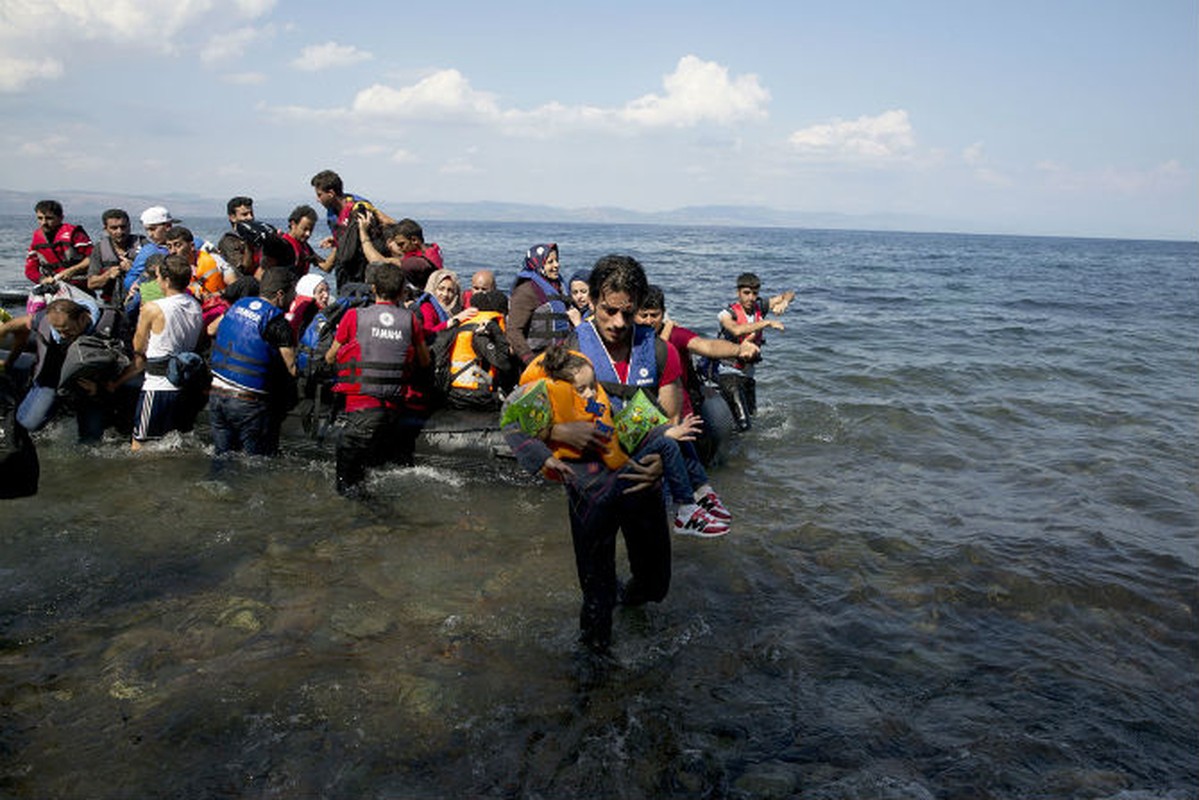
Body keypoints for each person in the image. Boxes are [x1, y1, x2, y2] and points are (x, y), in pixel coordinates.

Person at [504, 254, 675, 654]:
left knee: (655, 585)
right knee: (595, 599)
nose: (618, 322)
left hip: (642, 482)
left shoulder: (660, 351)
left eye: (627, 313)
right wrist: (556, 429)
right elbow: (513, 415)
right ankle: (595, 680)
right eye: (608, 310)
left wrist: (663, 461)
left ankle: (628, 601)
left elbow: (673, 416)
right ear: (592, 301)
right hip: (589, 489)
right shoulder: (566, 353)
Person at [536, 343, 728, 536]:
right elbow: (608, 442)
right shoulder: (571, 418)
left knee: (678, 432)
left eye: (593, 385)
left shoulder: (592, 404)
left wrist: (661, 427)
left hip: (620, 453)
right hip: (608, 472)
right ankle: (685, 509)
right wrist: (664, 435)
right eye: (582, 389)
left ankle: (702, 490)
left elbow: (616, 433)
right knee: (668, 442)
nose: (591, 393)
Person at [326, 262, 430, 498]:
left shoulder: (354, 316)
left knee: (346, 482)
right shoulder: (411, 320)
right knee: (371, 469)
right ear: (402, 290)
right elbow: (424, 361)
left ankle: (368, 514)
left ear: (373, 288)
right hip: (394, 408)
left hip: (361, 408)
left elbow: (331, 355)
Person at [637, 283, 755, 470]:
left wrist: (739, 349)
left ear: (663, 313)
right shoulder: (628, 338)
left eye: (654, 315)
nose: (649, 321)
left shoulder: (677, 334)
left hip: (682, 414)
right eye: (643, 315)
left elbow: (706, 346)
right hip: (643, 413)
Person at [108, 254, 204, 450]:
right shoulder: (195, 306)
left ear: (167, 281)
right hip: (185, 386)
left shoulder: (153, 308)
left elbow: (138, 347)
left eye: (158, 277)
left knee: (139, 446)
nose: (156, 281)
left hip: (158, 386)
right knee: (177, 445)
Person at [0, 295, 118, 442]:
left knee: (91, 440)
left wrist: (100, 388)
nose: (62, 335)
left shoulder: (110, 324)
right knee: (28, 425)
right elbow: (20, 324)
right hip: (52, 378)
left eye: (67, 330)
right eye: (57, 330)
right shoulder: (47, 319)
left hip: (92, 386)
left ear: (82, 318)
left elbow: (129, 360)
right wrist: (10, 359)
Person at [207, 268, 298, 457]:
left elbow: (211, 329)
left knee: (222, 458)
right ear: (280, 295)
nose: (294, 298)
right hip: (248, 403)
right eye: (293, 292)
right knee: (256, 464)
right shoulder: (278, 323)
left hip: (217, 395)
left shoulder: (239, 305)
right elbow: (293, 369)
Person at [712, 272, 795, 431]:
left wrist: (784, 302)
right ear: (738, 293)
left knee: (752, 417)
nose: (750, 298)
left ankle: (746, 453)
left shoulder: (759, 306)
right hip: (727, 372)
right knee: (744, 424)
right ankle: (733, 454)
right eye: (746, 293)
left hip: (748, 374)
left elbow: (790, 293)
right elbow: (736, 330)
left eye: (755, 293)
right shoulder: (727, 314)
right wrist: (766, 323)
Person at [507, 243, 571, 365]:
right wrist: (529, 359)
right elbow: (513, 330)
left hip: (561, 357)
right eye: (550, 262)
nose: (556, 265)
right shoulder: (527, 290)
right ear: (538, 263)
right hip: (538, 359)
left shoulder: (559, 287)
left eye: (557, 260)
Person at [24, 200, 93, 290]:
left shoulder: (76, 235)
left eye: (49, 218)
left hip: (79, 285)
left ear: (61, 218)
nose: (44, 222)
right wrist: (42, 279)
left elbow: (93, 258)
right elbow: (30, 269)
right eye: (40, 218)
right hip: (52, 286)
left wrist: (72, 270)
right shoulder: (37, 239)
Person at [86, 209, 145, 304]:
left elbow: (157, 277)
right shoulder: (99, 248)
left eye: (123, 227)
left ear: (130, 226)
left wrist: (134, 270)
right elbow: (91, 283)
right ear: (106, 229)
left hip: (140, 302)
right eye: (114, 228)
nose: (120, 231)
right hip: (111, 304)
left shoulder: (143, 245)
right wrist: (108, 275)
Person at [416, 269, 477, 337]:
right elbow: (428, 333)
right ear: (433, 288)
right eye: (441, 289)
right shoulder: (427, 307)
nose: (445, 294)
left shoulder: (457, 307)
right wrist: (453, 321)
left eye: (450, 290)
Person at [281, 205, 321, 279]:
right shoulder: (284, 244)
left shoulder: (305, 246)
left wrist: (337, 244)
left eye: (311, 230)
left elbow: (325, 266)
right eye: (304, 229)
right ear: (293, 224)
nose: (308, 234)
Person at [286, 274, 330, 339]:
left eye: (327, 290)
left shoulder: (292, 311)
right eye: (320, 291)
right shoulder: (309, 314)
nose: (326, 295)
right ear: (309, 294)